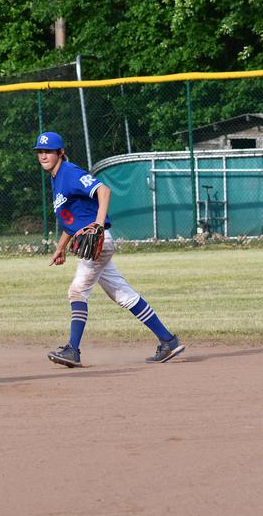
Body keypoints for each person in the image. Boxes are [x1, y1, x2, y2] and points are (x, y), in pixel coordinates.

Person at [34, 131, 185, 367]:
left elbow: (103, 190)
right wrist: (60, 247)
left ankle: (73, 350)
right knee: (122, 294)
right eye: (40, 152)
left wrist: (98, 224)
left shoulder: (70, 172)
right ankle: (168, 340)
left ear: (60, 153)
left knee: (77, 291)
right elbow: (70, 220)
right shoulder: (55, 177)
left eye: (49, 151)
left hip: (98, 241)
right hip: (95, 242)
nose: (43, 155)